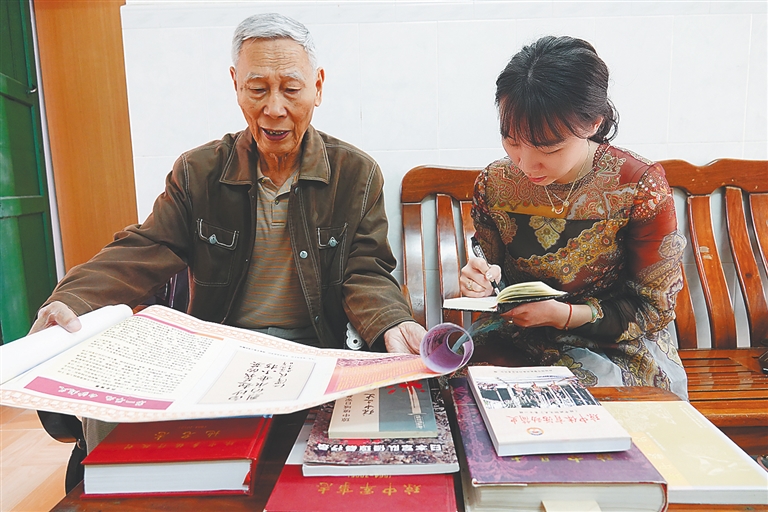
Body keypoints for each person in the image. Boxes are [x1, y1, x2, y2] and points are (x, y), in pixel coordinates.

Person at [30, 13, 426, 449]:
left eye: (291, 89)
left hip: (317, 352)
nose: (274, 108)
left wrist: (392, 321)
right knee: (110, 403)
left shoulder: (356, 174)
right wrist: (71, 299)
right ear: (236, 84)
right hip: (220, 355)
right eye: (257, 89)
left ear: (318, 87)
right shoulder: (198, 171)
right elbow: (146, 247)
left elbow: (365, 271)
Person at [460, 36, 688, 399]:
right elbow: (491, 270)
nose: (526, 164)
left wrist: (563, 315)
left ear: (593, 123)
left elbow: (652, 308)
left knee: (583, 401)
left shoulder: (637, 185)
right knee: (457, 386)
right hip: (518, 337)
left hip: (614, 345)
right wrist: (479, 282)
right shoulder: (495, 183)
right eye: (512, 141)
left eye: (548, 148)